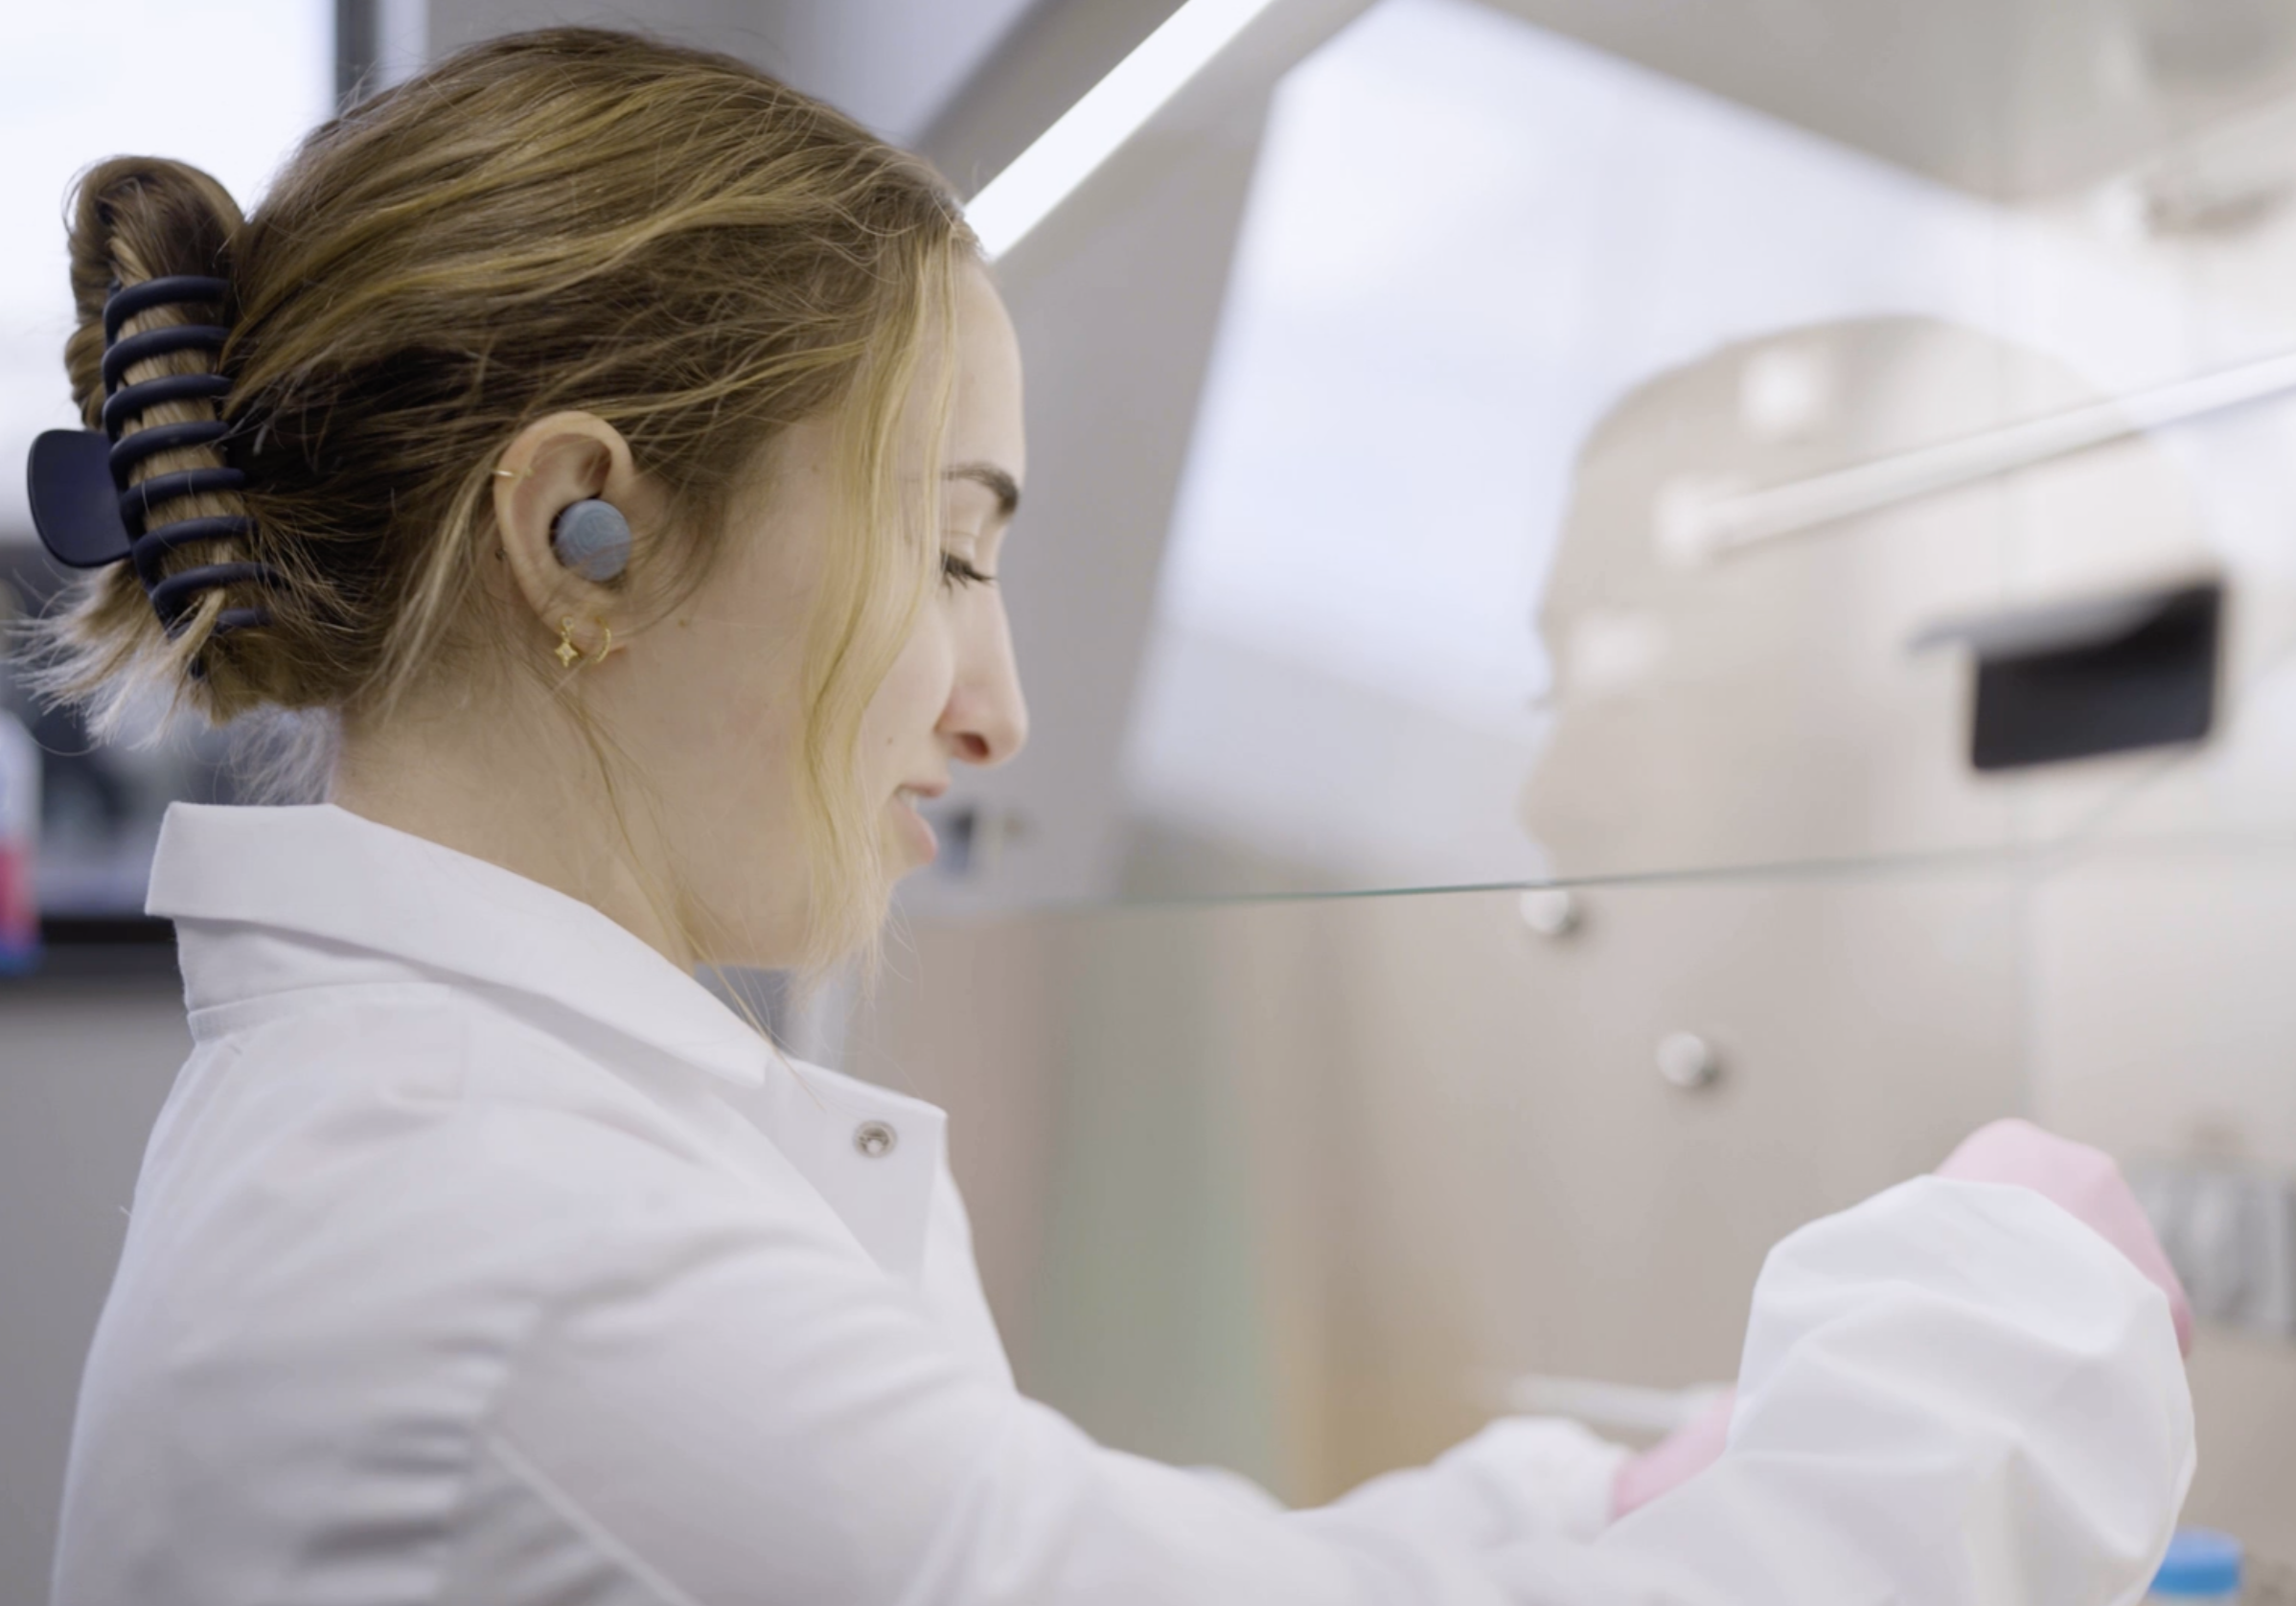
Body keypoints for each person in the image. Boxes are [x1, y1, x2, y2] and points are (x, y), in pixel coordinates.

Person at [29, 29, 2192, 1605]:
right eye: (952, 550)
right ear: (583, 528)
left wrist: (1584, 1503)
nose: (1000, 707)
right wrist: (1999, 1349)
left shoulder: (449, 1146)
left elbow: (1081, 1554)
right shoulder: (499, 1243)